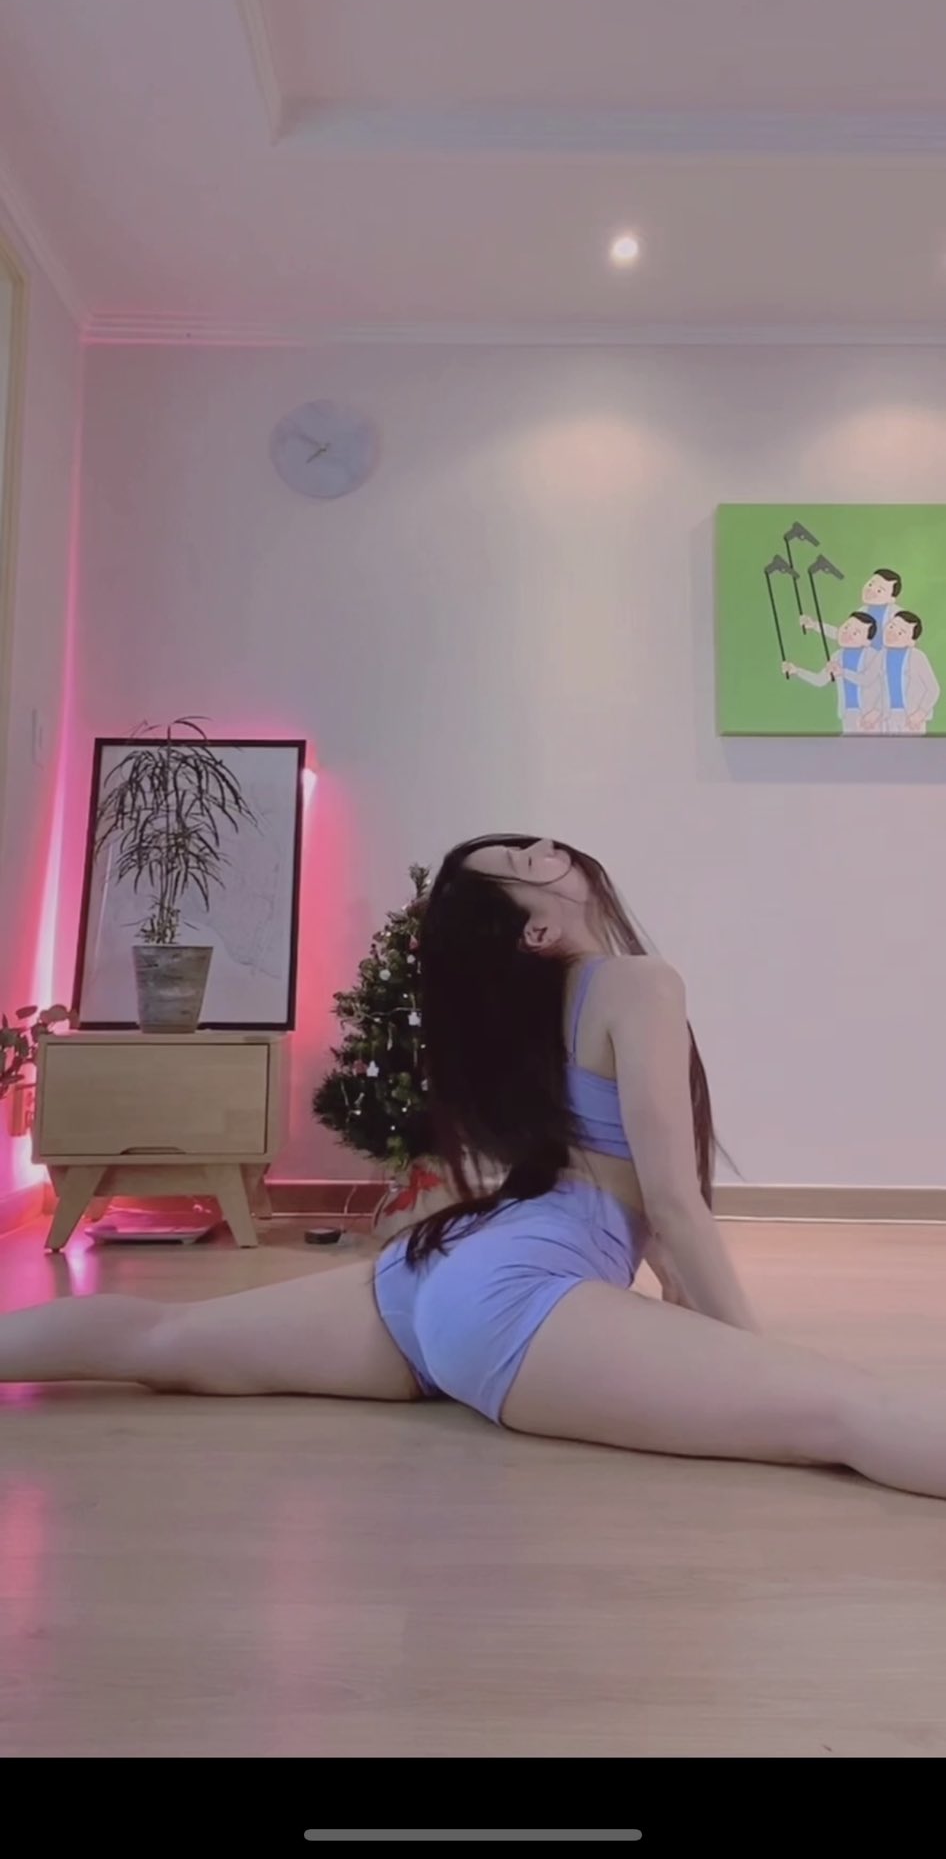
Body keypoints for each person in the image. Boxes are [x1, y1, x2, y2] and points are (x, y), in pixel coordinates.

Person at [3, 834, 946, 1498]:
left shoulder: (543, 1018)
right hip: (511, 1295)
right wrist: (758, 1360)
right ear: (535, 935)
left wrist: (691, 1323)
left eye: (529, 846)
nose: (545, 849)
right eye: (525, 866)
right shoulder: (639, 984)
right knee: (845, 1411)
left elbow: (650, 1222)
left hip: (436, 1278)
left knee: (162, 1342)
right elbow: (671, 1202)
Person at [781, 611, 884, 733]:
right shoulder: (837, 656)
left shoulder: (872, 655)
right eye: (846, 627)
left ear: (867, 642)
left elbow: (867, 679)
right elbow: (820, 680)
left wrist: (842, 672)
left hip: (871, 713)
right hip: (848, 713)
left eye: (856, 633)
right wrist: (797, 671)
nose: (847, 633)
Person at [800, 567, 901, 652]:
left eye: (879, 590)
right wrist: (815, 625)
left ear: (892, 599)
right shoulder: (862, 612)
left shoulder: (898, 618)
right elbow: (844, 635)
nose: (871, 590)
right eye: (870, 584)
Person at [880, 610, 940, 735]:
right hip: (887, 716)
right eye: (891, 626)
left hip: (912, 718)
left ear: (912, 641)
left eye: (901, 632)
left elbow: (933, 689)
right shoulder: (881, 656)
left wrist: (921, 713)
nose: (892, 633)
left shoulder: (917, 657)